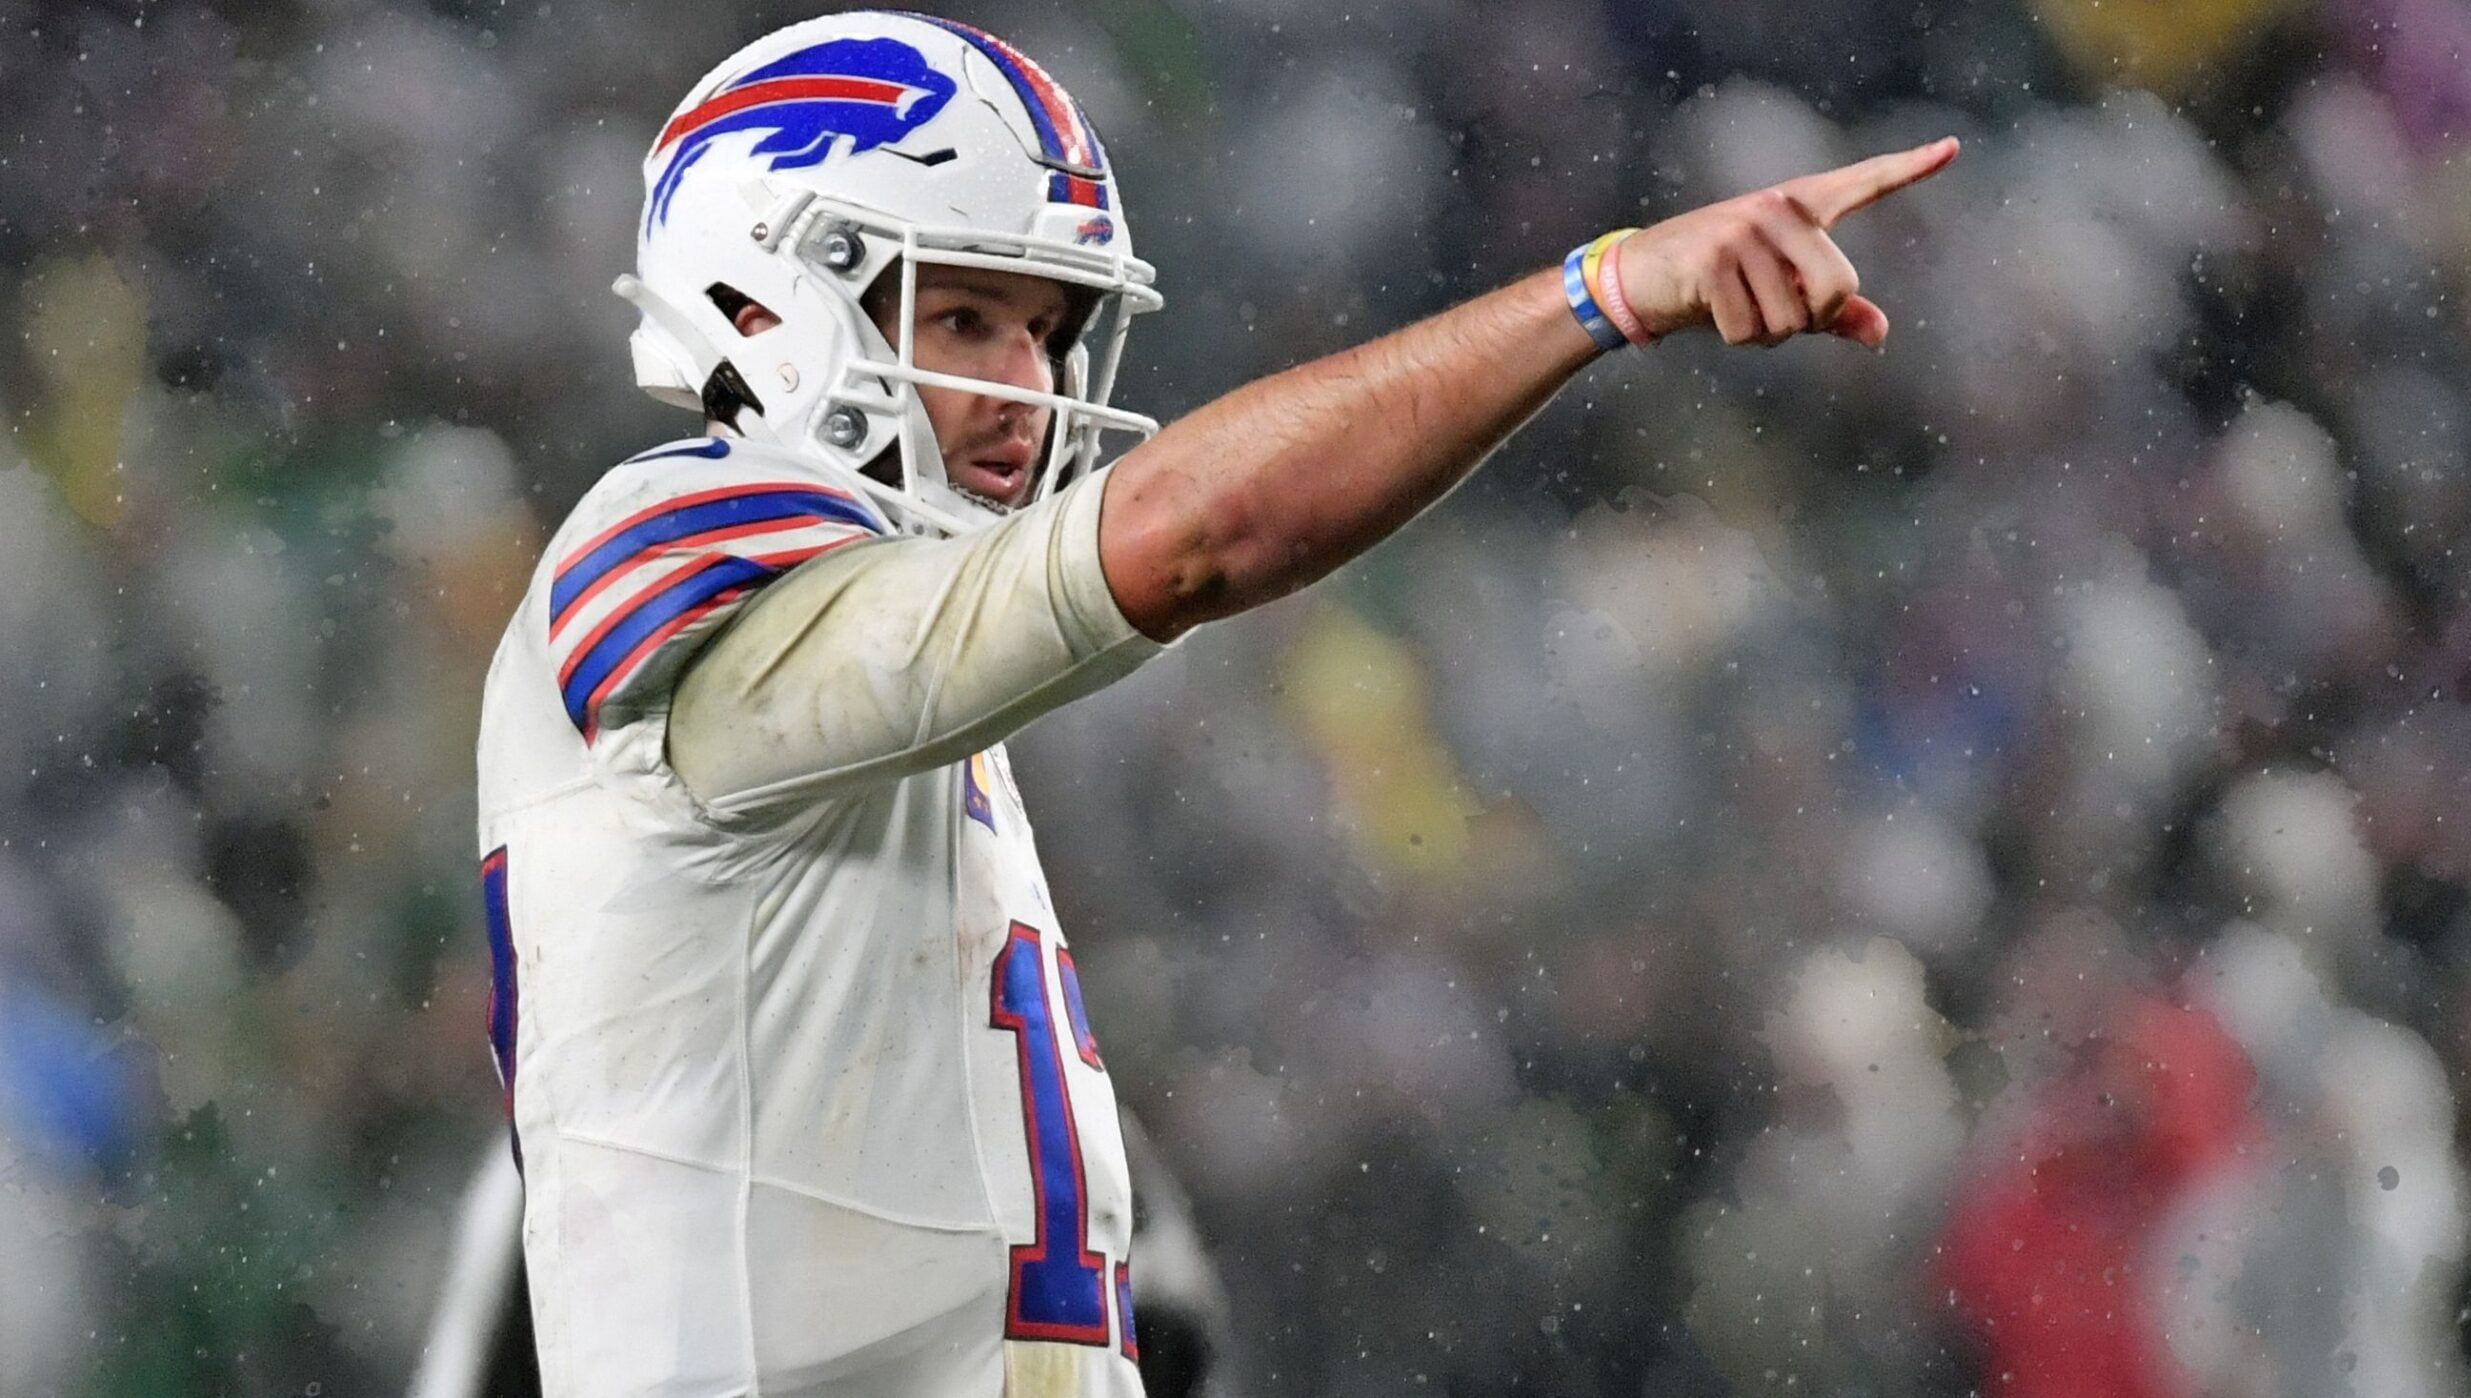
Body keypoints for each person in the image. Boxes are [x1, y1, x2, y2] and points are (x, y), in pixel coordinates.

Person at [474, 10, 1956, 1395]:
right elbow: (1195, 539)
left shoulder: (875, 700)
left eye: (1049, 331)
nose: (1026, 386)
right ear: (763, 299)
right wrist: (1600, 294)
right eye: (970, 316)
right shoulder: (665, 543)